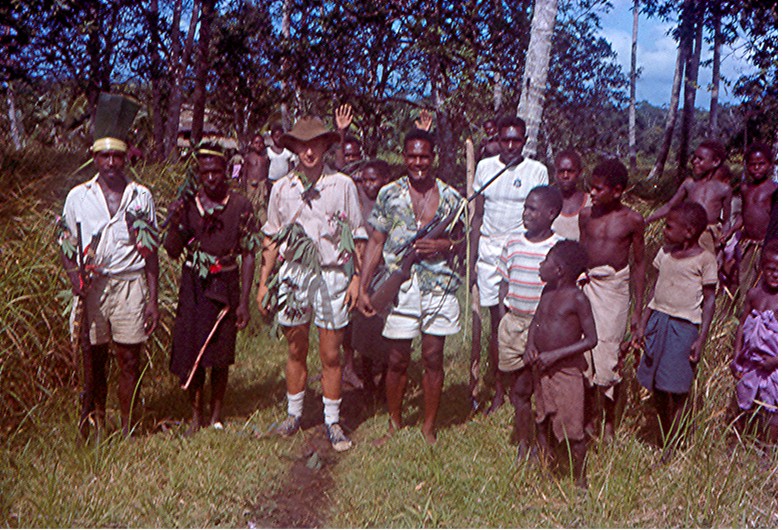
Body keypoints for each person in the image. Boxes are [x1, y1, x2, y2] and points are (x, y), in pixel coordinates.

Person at [257, 116, 366, 452]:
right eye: (302, 145)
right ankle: (294, 415)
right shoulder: (282, 188)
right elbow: (272, 238)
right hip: (294, 273)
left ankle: (332, 420)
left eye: (315, 144)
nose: (309, 151)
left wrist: (355, 278)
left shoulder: (343, 185)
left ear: (325, 146)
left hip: (333, 274)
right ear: (293, 148)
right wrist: (264, 283)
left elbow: (356, 236)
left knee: (330, 352)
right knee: (295, 347)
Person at [59, 93, 159, 438]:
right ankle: (96, 424)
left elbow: (151, 253)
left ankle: (130, 428)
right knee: (94, 362)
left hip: (131, 286)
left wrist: (152, 300)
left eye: (118, 156)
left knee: (130, 359)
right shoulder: (78, 197)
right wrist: (76, 279)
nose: (111, 163)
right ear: (94, 157)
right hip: (94, 287)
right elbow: (66, 244)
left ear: (126, 156)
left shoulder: (141, 196)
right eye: (105, 156)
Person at [358, 129, 464, 445]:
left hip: (439, 287)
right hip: (400, 286)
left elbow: (463, 242)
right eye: (412, 156)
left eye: (424, 156)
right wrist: (364, 287)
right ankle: (394, 424)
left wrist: (445, 243)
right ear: (404, 157)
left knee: (433, 357)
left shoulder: (451, 197)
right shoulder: (389, 194)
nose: (418, 162)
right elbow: (376, 241)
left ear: (434, 158)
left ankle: (428, 427)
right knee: (397, 359)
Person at [165, 143, 258, 434]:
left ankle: (216, 414)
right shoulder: (189, 204)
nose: (211, 178)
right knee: (193, 350)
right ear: (198, 173)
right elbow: (171, 250)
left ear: (226, 172)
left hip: (225, 283)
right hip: (195, 284)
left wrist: (244, 301)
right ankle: (195, 414)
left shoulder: (241, 206)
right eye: (205, 172)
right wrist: (175, 222)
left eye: (217, 171)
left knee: (220, 352)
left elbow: (249, 253)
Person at [469, 114, 549, 414]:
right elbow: (477, 215)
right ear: (497, 141)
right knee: (497, 322)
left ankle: (528, 387)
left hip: (521, 250)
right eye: (506, 140)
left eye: (517, 140)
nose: (511, 145)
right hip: (490, 250)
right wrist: (473, 257)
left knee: (527, 320)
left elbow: (541, 214)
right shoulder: (485, 168)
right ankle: (499, 391)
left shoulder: (536, 171)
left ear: (525, 141)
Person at [634, 202, 718, 460]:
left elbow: (709, 301)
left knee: (678, 387)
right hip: (659, 322)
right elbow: (654, 289)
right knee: (658, 384)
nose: (665, 231)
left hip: (683, 328)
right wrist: (642, 322)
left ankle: (673, 442)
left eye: (670, 227)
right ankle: (663, 434)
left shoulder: (705, 259)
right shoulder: (665, 254)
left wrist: (700, 339)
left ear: (689, 231)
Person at [578, 159, 645, 441]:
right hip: (589, 286)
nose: (592, 194)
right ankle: (588, 418)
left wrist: (637, 311)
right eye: (591, 188)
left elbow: (640, 264)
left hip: (614, 292)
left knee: (610, 357)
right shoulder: (585, 216)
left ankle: (609, 423)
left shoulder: (633, 220)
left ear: (617, 191)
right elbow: (580, 256)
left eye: (598, 189)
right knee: (585, 355)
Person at [496, 186, 564, 460]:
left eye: (533, 209)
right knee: (520, 389)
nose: (526, 213)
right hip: (515, 324)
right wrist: (504, 318)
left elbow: (566, 291)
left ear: (551, 214)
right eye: (525, 207)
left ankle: (544, 443)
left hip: (545, 330)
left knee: (544, 389)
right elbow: (504, 283)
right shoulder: (513, 242)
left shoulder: (558, 248)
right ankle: (525, 443)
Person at [526, 241, 597, 489]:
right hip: (542, 368)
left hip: (565, 372)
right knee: (543, 418)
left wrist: (556, 355)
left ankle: (580, 480)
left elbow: (591, 339)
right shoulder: (546, 292)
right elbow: (536, 322)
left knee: (573, 428)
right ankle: (546, 468)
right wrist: (530, 347)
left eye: (546, 261)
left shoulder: (577, 299)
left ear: (559, 270)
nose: (540, 265)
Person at [351, 159, 393, 395]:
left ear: (385, 180)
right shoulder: (358, 204)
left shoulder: (391, 204)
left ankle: (386, 378)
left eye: (373, 179)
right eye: (364, 180)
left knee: (387, 326)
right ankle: (367, 379)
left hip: (387, 272)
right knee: (364, 326)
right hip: (365, 272)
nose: (368, 184)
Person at [645, 140, 732, 254]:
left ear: (715, 162)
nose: (695, 162)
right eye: (694, 158)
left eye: (700, 159)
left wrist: (723, 238)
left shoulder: (724, 189)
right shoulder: (689, 184)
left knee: (705, 267)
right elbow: (670, 206)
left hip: (708, 237)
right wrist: (647, 220)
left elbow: (726, 220)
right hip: (687, 234)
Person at [730, 240, 777, 445]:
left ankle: (770, 450)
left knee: (773, 409)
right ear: (761, 268)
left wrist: (775, 362)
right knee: (747, 402)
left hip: (774, 365)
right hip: (752, 363)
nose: (775, 274)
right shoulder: (754, 295)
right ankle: (745, 443)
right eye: (770, 269)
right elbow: (742, 325)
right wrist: (736, 355)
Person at [720, 143, 777, 295]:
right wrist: (731, 231)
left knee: (764, 279)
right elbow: (744, 216)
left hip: (766, 244)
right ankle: (742, 311)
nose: (757, 168)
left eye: (761, 164)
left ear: (770, 165)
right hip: (748, 244)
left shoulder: (774, 189)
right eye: (752, 165)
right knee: (744, 278)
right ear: (746, 166)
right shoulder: (745, 189)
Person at [551, 149, 591, 241]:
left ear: (580, 173)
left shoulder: (591, 203)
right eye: (561, 171)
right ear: (556, 173)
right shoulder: (547, 202)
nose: (565, 176)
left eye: (570, 171)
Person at [240, 134, 270, 218]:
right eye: (256, 143)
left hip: (262, 186)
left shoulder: (265, 158)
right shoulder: (248, 157)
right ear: (252, 144)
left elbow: (266, 172)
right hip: (251, 186)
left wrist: (265, 184)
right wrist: (244, 189)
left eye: (261, 143)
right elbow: (244, 174)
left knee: (262, 207)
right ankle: (252, 226)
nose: (259, 145)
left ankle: (262, 227)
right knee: (251, 207)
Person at [266, 122, 298, 195]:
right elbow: (265, 167)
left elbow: (291, 167)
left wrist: (291, 179)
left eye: (280, 137)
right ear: (271, 137)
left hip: (284, 181)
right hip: (271, 182)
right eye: (276, 137)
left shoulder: (287, 152)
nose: (278, 139)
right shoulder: (268, 152)